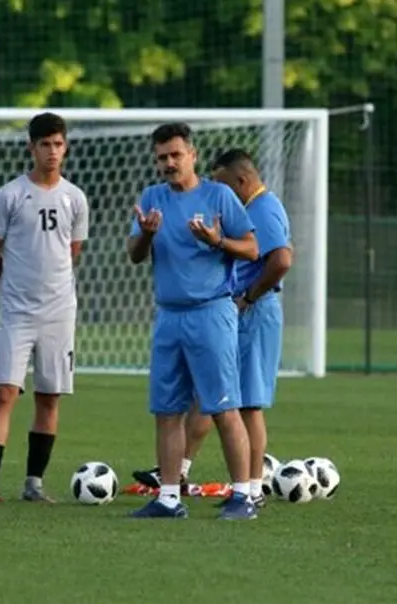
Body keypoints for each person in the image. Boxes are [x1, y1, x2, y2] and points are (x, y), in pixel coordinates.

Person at [131, 149, 292, 509]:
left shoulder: (261, 207)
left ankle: (249, 490)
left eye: (176, 154)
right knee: (196, 401)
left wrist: (248, 297)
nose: (169, 162)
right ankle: (175, 482)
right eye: (162, 156)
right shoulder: (156, 197)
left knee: (243, 402)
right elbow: (136, 253)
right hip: (195, 311)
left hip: (246, 308)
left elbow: (279, 259)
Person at [0, 112, 90, 505]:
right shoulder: (10, 195)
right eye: (44, 144)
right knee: (4, 392)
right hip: (18, 311)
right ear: (31, 147)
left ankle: (34, 483)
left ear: (65, 147)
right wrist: (11, 280)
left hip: (59, 312)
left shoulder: (75, 197)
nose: (52, 152)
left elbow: (72, 251)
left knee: (48, 396)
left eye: (58, 144)